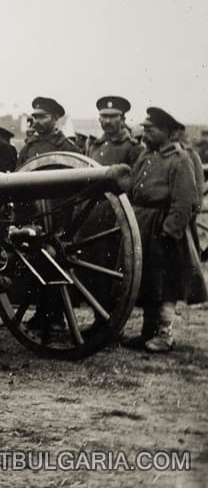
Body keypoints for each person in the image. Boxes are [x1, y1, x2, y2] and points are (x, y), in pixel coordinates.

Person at [123, 108, 201, 352]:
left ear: (167, 132)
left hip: (163, 230)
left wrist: (170, 230)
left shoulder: (179, 159)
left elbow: (186, 200)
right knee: (147, 281)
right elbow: (131, 189)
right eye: (144, 128)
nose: (145, 133)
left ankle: (164, 334)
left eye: (151, 129)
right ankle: (147, 332)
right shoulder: (146, 156)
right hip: (142, 226)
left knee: (166, 284)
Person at [16, 97, 81, 166]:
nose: (37, 121)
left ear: (55, 118)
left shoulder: (68, 148)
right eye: (35, 117)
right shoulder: (28, 148)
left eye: (42, 117)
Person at [86, 96, 143, 167]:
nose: (108, 121)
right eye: (104, 116)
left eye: (113, 116)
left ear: (122, 119)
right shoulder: (94, 147)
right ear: (99, 119)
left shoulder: (132, 148)